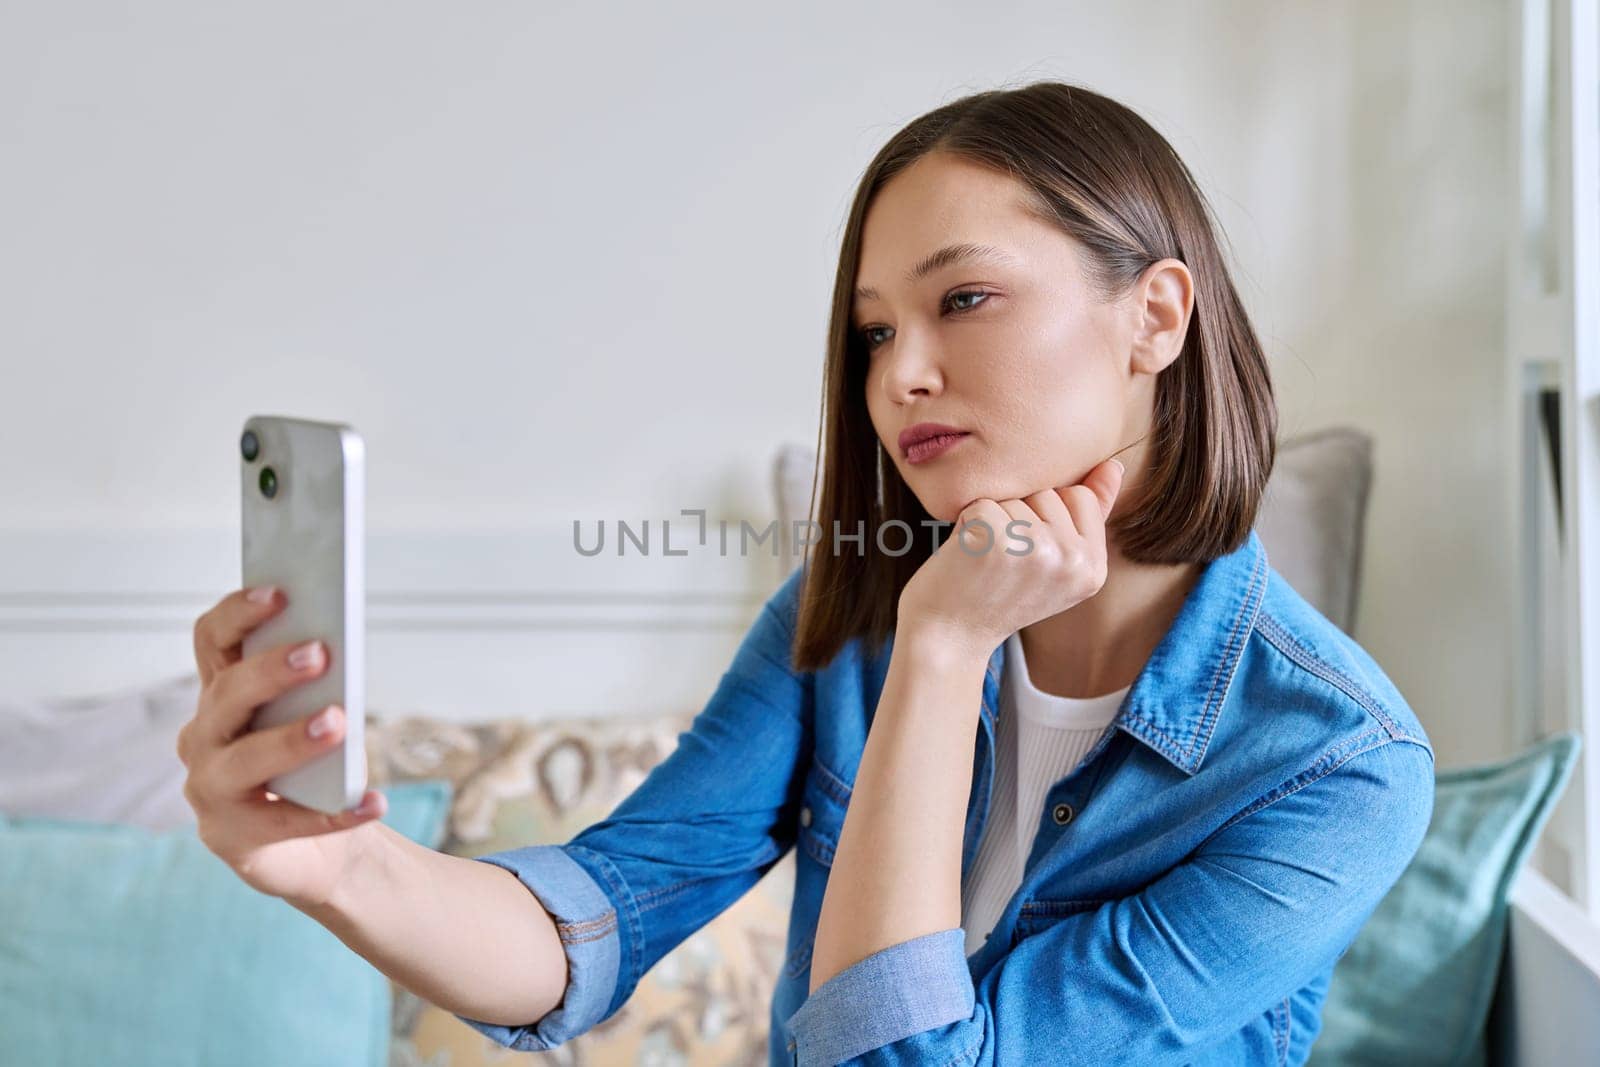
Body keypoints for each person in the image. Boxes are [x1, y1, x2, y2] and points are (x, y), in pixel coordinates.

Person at [179, 80, 1435, 1066]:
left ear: (1156, 316)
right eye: (876, 329)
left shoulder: (1336, 762)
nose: (898, 375)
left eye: (968, 300)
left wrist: (945, 657)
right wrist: (345, 867)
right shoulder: (847, 624)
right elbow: (600, 917)